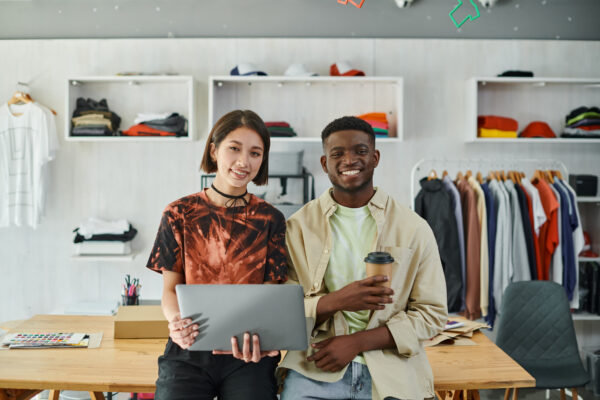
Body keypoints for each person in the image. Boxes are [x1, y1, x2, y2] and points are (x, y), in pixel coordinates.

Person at [279, 116, 448, 400]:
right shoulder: (297, 228)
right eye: (338, 153)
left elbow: (432, 314)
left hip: (393, 373)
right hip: (315, 368)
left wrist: (357, 342)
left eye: (360, 151)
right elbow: (283, 308)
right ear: (324, 163)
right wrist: (337, 301)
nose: (350, 160)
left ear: (375, 157)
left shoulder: (414, 227)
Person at [146, 109, 287, 400]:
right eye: (234, 149)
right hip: (190, 347)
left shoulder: (271, 219)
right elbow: (170, 290)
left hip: (249, 353)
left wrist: (264, 335)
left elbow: (270, 294)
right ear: (214, 150)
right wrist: (176, 323)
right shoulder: (178, 213)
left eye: (255, 153)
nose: (243, 162)